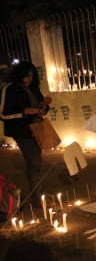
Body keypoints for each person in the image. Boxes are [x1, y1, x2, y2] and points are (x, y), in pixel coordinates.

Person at [0, 61, 52, 208]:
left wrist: (43, 109)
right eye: (27, 76)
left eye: (32, 76)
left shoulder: (33, 88)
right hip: (21, 131)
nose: (30, 79)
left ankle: (38, 193)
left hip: (37, 127)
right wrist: (24, 112)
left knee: (37, 163)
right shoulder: (9, 89)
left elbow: (41, 103)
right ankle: (38, 197)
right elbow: (3, 114)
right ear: (19, 75)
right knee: (33, 163)